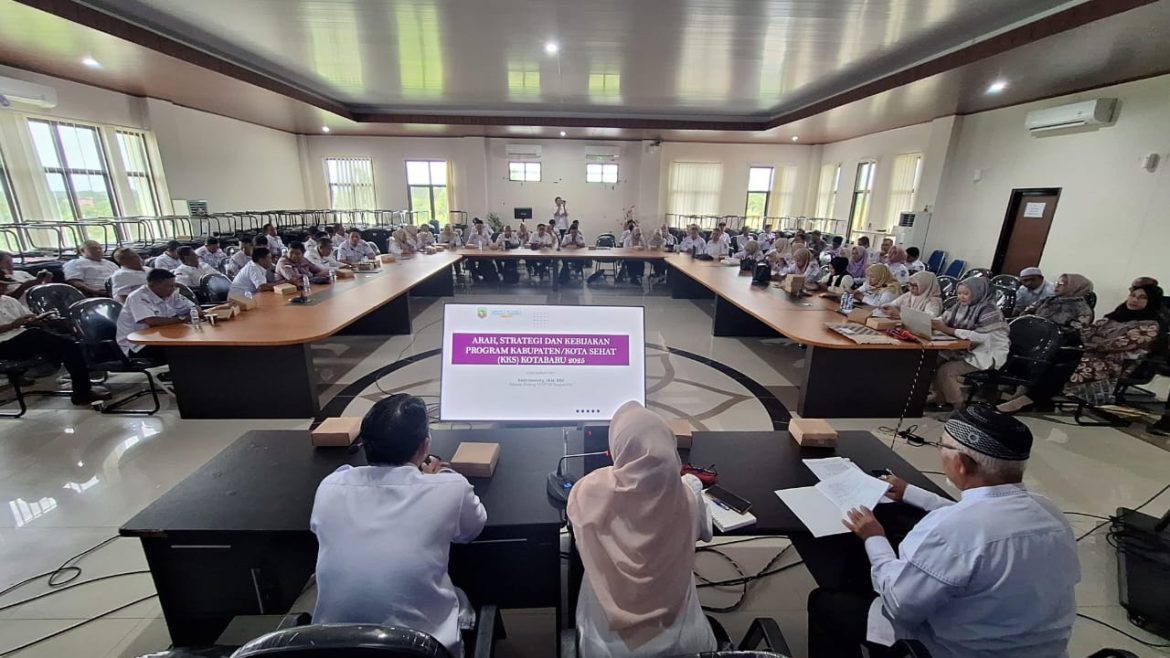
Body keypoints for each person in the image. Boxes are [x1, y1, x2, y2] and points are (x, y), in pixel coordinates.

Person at [809, 406, 1078, 658]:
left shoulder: (949, 529)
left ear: (962, 463)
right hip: (1044, 651)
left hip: (957, 651)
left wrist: (874, 537)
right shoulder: (1048, 510)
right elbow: (979, 514)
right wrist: (912, 493)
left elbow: (900, 606)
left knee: (826, 603)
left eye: (943, 446)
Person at [311, 394, 486, 658]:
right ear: (424, 445)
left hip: (332, 646)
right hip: (423, 648)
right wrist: (434, 479)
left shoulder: (330, 487)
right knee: (464, 591)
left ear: (362, 444)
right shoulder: (451, 487)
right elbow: (472, 529)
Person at [568, 401, 717, 658]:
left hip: (605, 649)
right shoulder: (688, 494)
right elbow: (707, 532)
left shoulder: (587, 491)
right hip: (687, 646)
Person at [996, 274, 1097, 414]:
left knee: (1037, 355)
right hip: (1028, 338)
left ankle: (1022, 393)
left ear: (1075, 287)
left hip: (1054, 344)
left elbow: (1076, 333)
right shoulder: (1048, 300)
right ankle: (995, 384)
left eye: (1062, 284)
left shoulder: (1082, 310)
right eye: (1057, 282)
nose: (1057, 286)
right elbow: (1026, 315)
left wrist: (1044, 332)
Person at [1061, 284, 1164, 405]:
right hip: (1093, 353)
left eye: (1142, 297)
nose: (1135, 300)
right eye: (1133, 295)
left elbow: (1119, 344)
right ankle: (1043, 395)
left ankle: (1044, 397)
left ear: (1152, 301)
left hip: (1118, 363)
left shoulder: (1150, 325)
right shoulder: (1115, 316)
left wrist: (1093, 343)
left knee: (1071, 363)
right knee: (1058, 353)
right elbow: (1090, 332)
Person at [0, 291, 109, 404]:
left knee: (68, 342)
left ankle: (83, 388)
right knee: (44, 337)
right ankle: (82, 390)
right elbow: (17, 324)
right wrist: (12, 325)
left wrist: (35, 319)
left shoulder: (9, 300)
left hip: (23, 337)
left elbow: (27, 317)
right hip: (3, 343)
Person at [929, 278, 1010, 411]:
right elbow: (944, 319)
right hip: (964, 347)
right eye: (959, 293)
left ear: (977, 293)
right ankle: (939, 397)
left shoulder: (989, 311)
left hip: (986, 352)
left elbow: (982, 337)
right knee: (933, 361)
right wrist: (931, 323)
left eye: (966, 293)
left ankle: (958, 406)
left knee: (946, 371)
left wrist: (949, 330)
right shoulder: (959, 306)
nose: (961, 296)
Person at [115, 269, 197, 361]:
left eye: (173, 285)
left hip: (163, 336)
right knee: (188, 348)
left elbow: (195, 308)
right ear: (152, 285)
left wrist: (193, 312)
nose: (172, 289)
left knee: (195, 341)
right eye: (167, 286)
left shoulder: (171, 293)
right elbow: (152, 321)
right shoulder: (137, 297)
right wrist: (183, 319)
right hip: (138, 345)